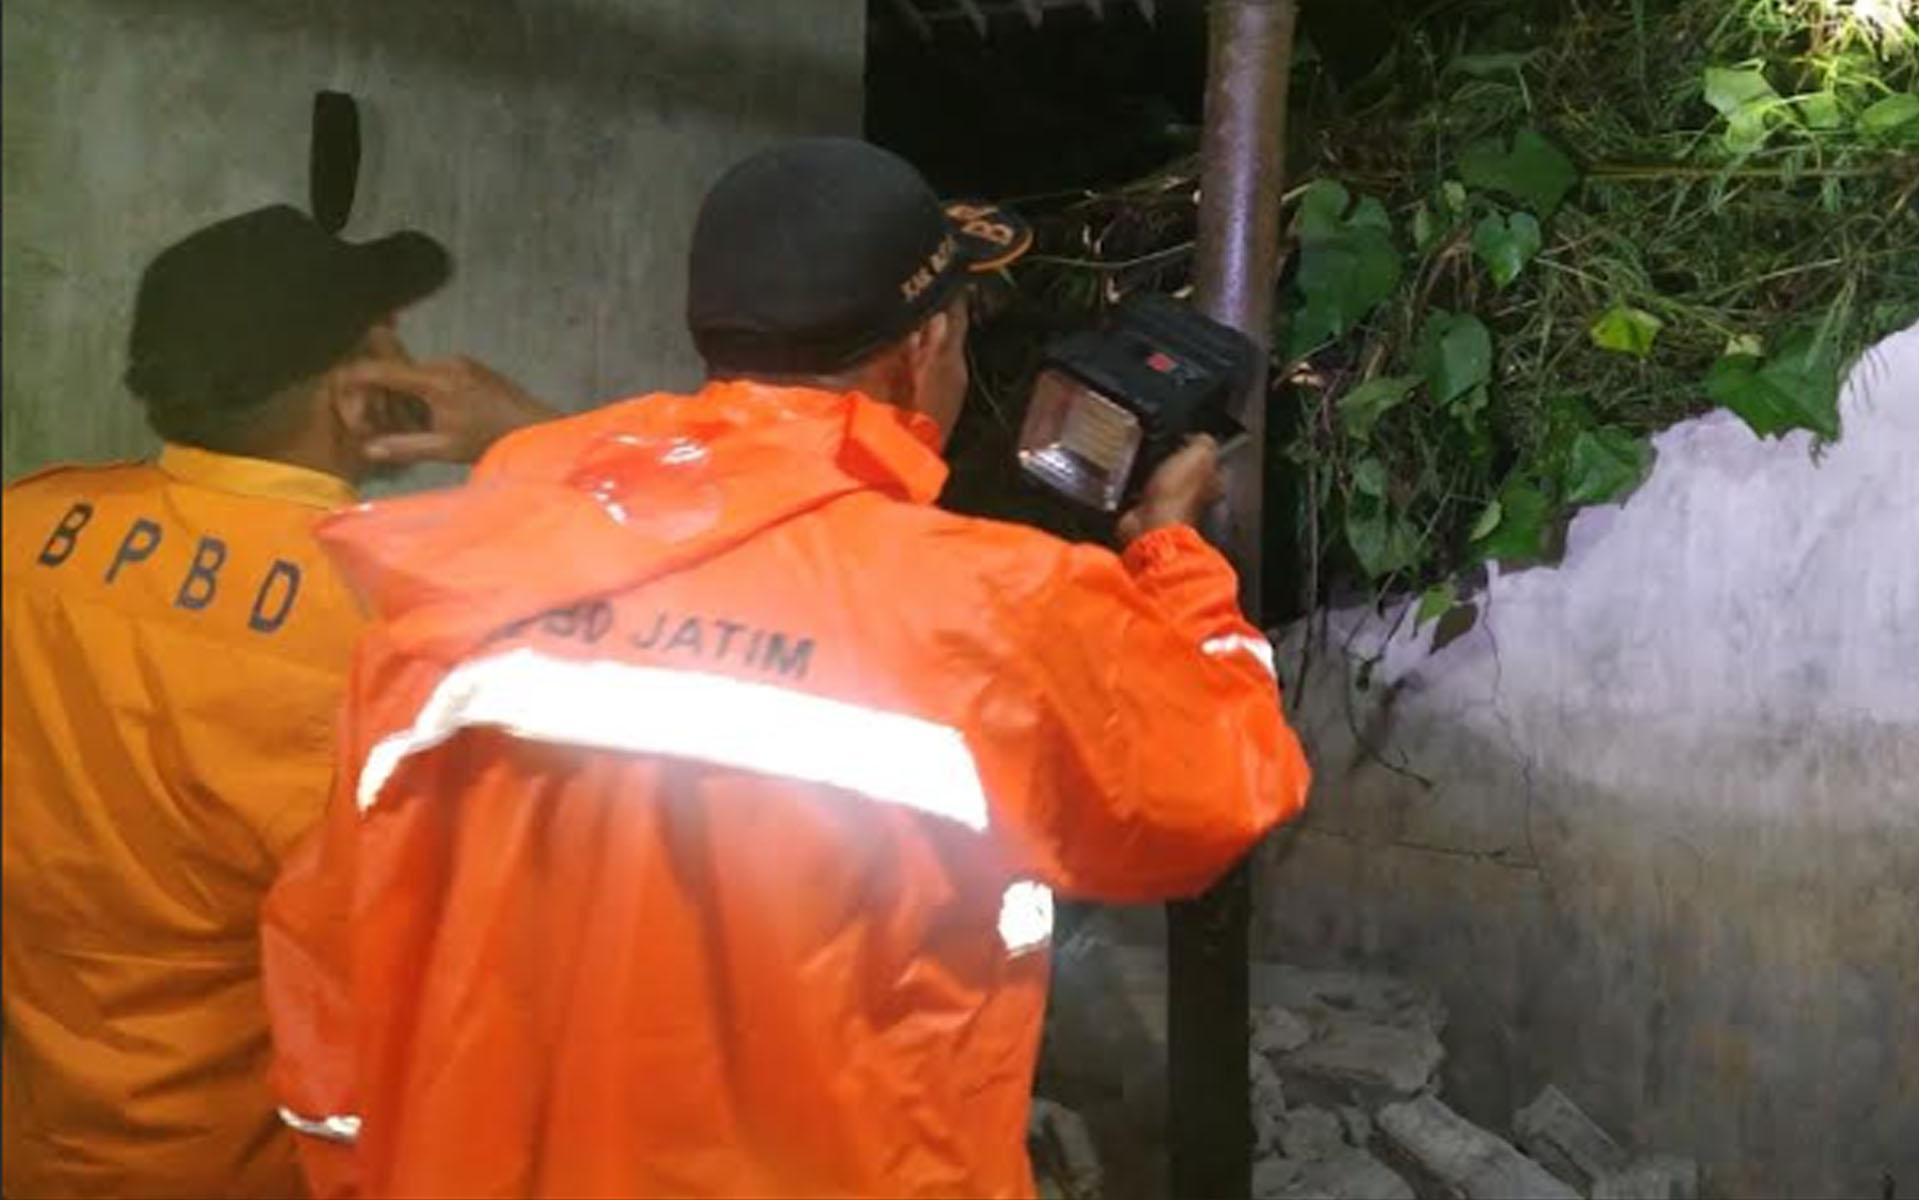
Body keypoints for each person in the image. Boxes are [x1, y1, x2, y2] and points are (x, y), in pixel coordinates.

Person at [264, 139, 1311, 1198]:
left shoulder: (462, 575)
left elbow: (331, 962)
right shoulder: (994, 605)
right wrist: (1176, 552)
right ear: (928, 342)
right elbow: (1220, 786)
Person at [0, 205, 550, 1199]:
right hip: (242, 1166)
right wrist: (537, 443)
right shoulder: (390, 622)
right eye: (393, 336)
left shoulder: (24, 527)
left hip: (40, 1145)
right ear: (360, 389)